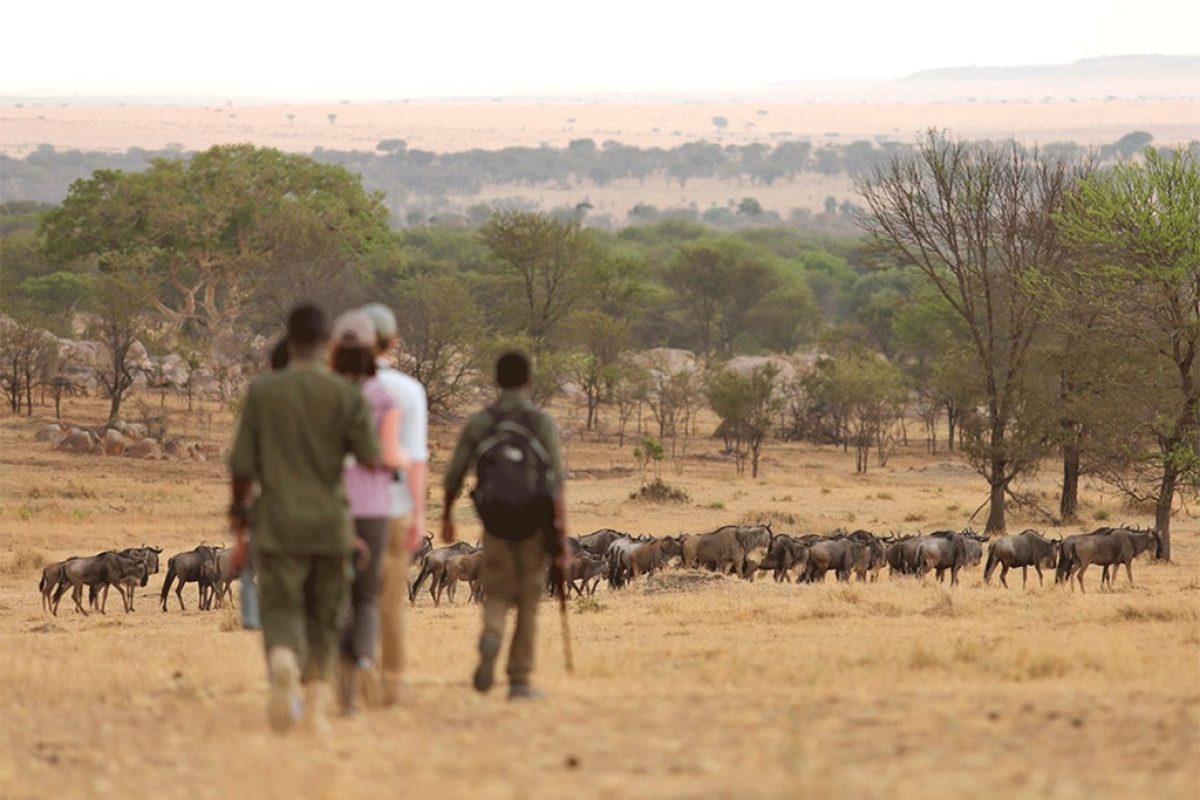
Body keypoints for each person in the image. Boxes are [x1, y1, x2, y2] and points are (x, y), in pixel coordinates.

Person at [228, 304, 380, 734]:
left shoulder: (263, 393)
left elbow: (241, 467)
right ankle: (313, 708)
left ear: (289, 340)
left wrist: (240, 520)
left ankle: (282, 658)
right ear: (326, 343)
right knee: (326, 615)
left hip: (276, 523)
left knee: (282, 606)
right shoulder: (345, 394)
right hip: (330, 524)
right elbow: (370, 458)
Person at [442, 351, 567, 700]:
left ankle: (492, 633)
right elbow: (556, 484)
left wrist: (447, 517)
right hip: (535, 527)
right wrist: (560, 536)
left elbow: (454, 475)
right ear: (529, 381)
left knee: (496, 593)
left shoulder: (481, 422)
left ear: (496, 381)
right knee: (528, 600)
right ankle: (519, 679)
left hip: (495, 525)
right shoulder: (542, 423)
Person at [328, 310, 407, 714]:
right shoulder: (383, 396)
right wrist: (397, 463)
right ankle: (364, 658)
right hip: (373, 508)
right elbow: (389, 456)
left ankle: (343, 693)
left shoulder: (324, 393)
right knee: (368, 596)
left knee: (337, 594)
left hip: (330, 506)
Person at [359, 303, 428, 705]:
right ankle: (392, 685)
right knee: (390, 603)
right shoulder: (408, 390)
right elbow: (416, 460)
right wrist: (419, 514)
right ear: (392, 342)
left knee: (350, 599)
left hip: (346, 509)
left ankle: (352, 683)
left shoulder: (335, 387)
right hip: (395, 508)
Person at [238, 338, 291, 632]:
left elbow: (242, 468)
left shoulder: (260, 400)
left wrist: (240, 528)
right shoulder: (334, 395)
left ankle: (261, 626)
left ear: (271, 366)